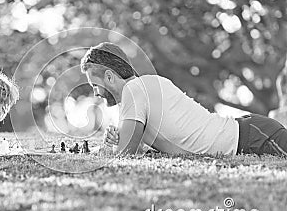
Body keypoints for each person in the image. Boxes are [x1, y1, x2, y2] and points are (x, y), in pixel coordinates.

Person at [80, 42, 287, 157]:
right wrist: (115, 141)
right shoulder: (139, 91)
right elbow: (140, 148)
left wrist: (108, 149)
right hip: (248, 133)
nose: (96, 93)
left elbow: (125, 154)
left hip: (252, 135)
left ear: (109, 76)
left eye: (94, 85)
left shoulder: (135, 89)